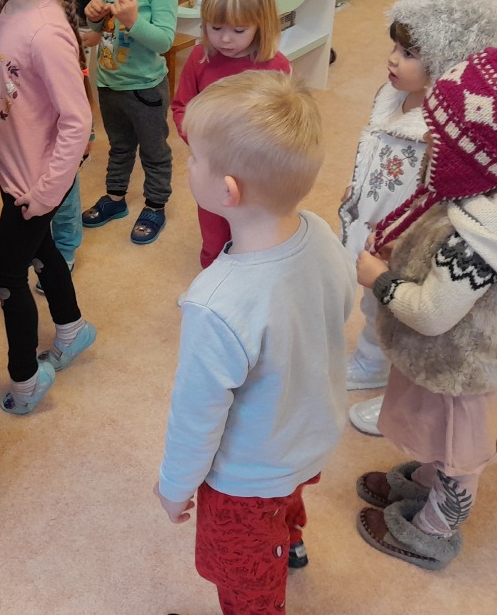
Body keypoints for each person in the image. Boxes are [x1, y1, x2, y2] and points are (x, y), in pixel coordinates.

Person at [353, 48, 497, 571]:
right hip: (452, 352)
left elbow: (433, 312)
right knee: (435, 425)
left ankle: (434, 528)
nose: (430, 139)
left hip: (461, 361)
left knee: (460, 445)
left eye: (442, 134)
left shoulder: (482, 240)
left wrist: (381, 280)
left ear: (480, 152)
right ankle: (428, 478)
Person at [154, 70, 355, 614]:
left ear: (228, 190)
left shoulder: (214, 302)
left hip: (246, 479)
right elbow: (340, 308)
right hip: (310, 437)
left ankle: (272, 562)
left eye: (194, 157)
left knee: (246, 584)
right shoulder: (320, 232)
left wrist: (174, 487)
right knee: (286, 500)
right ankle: (289, 539)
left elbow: (196, 416)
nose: (187, 164)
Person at [337, 0, 497, 416]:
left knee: (395, 312)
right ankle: (371, 362)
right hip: (374, 218)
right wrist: (357, 188)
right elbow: (376, 152)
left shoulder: (444, 129)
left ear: (449, 63)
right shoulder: (391, 97)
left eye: (410, 53)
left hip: (405, 239)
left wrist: (410, 236)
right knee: (371, 301)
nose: (393, 59)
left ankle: (385, 376)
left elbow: (443, 196)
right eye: (395, 47)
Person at [0, 0, 94, 415]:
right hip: (16, 173)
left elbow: (78, 120)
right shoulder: (10, 8)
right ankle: (72, 329)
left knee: (6, 276)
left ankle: (25, 381)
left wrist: (47, 192)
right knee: (41, 252)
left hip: (37, 184)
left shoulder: (46, 32)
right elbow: (6, 88)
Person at [170, 0, 291, 268]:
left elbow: (285, 124)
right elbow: (181, 107)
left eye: (239, 30)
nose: (225, 39)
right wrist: (201, 140)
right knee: (213, 241)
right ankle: (213, 285)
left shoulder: (276, 67)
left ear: (261, 24)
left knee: (254, 240)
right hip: (212, 176)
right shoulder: (199, 59)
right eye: (215, 28)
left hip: (257, 181)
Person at [40, 0, 120, 279]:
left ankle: (80, 142)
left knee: (75, 92)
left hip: (85, 28)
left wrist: (97, 30)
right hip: (57, 19)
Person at [83, 0, 178, 245]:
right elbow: (102, 26)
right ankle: (115, 198)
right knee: (119, 146)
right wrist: (95, 14)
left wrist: (134, 21)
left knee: (154, 150)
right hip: (109, 81)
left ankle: (155, 205)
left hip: (145, 85)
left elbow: (164, 40)